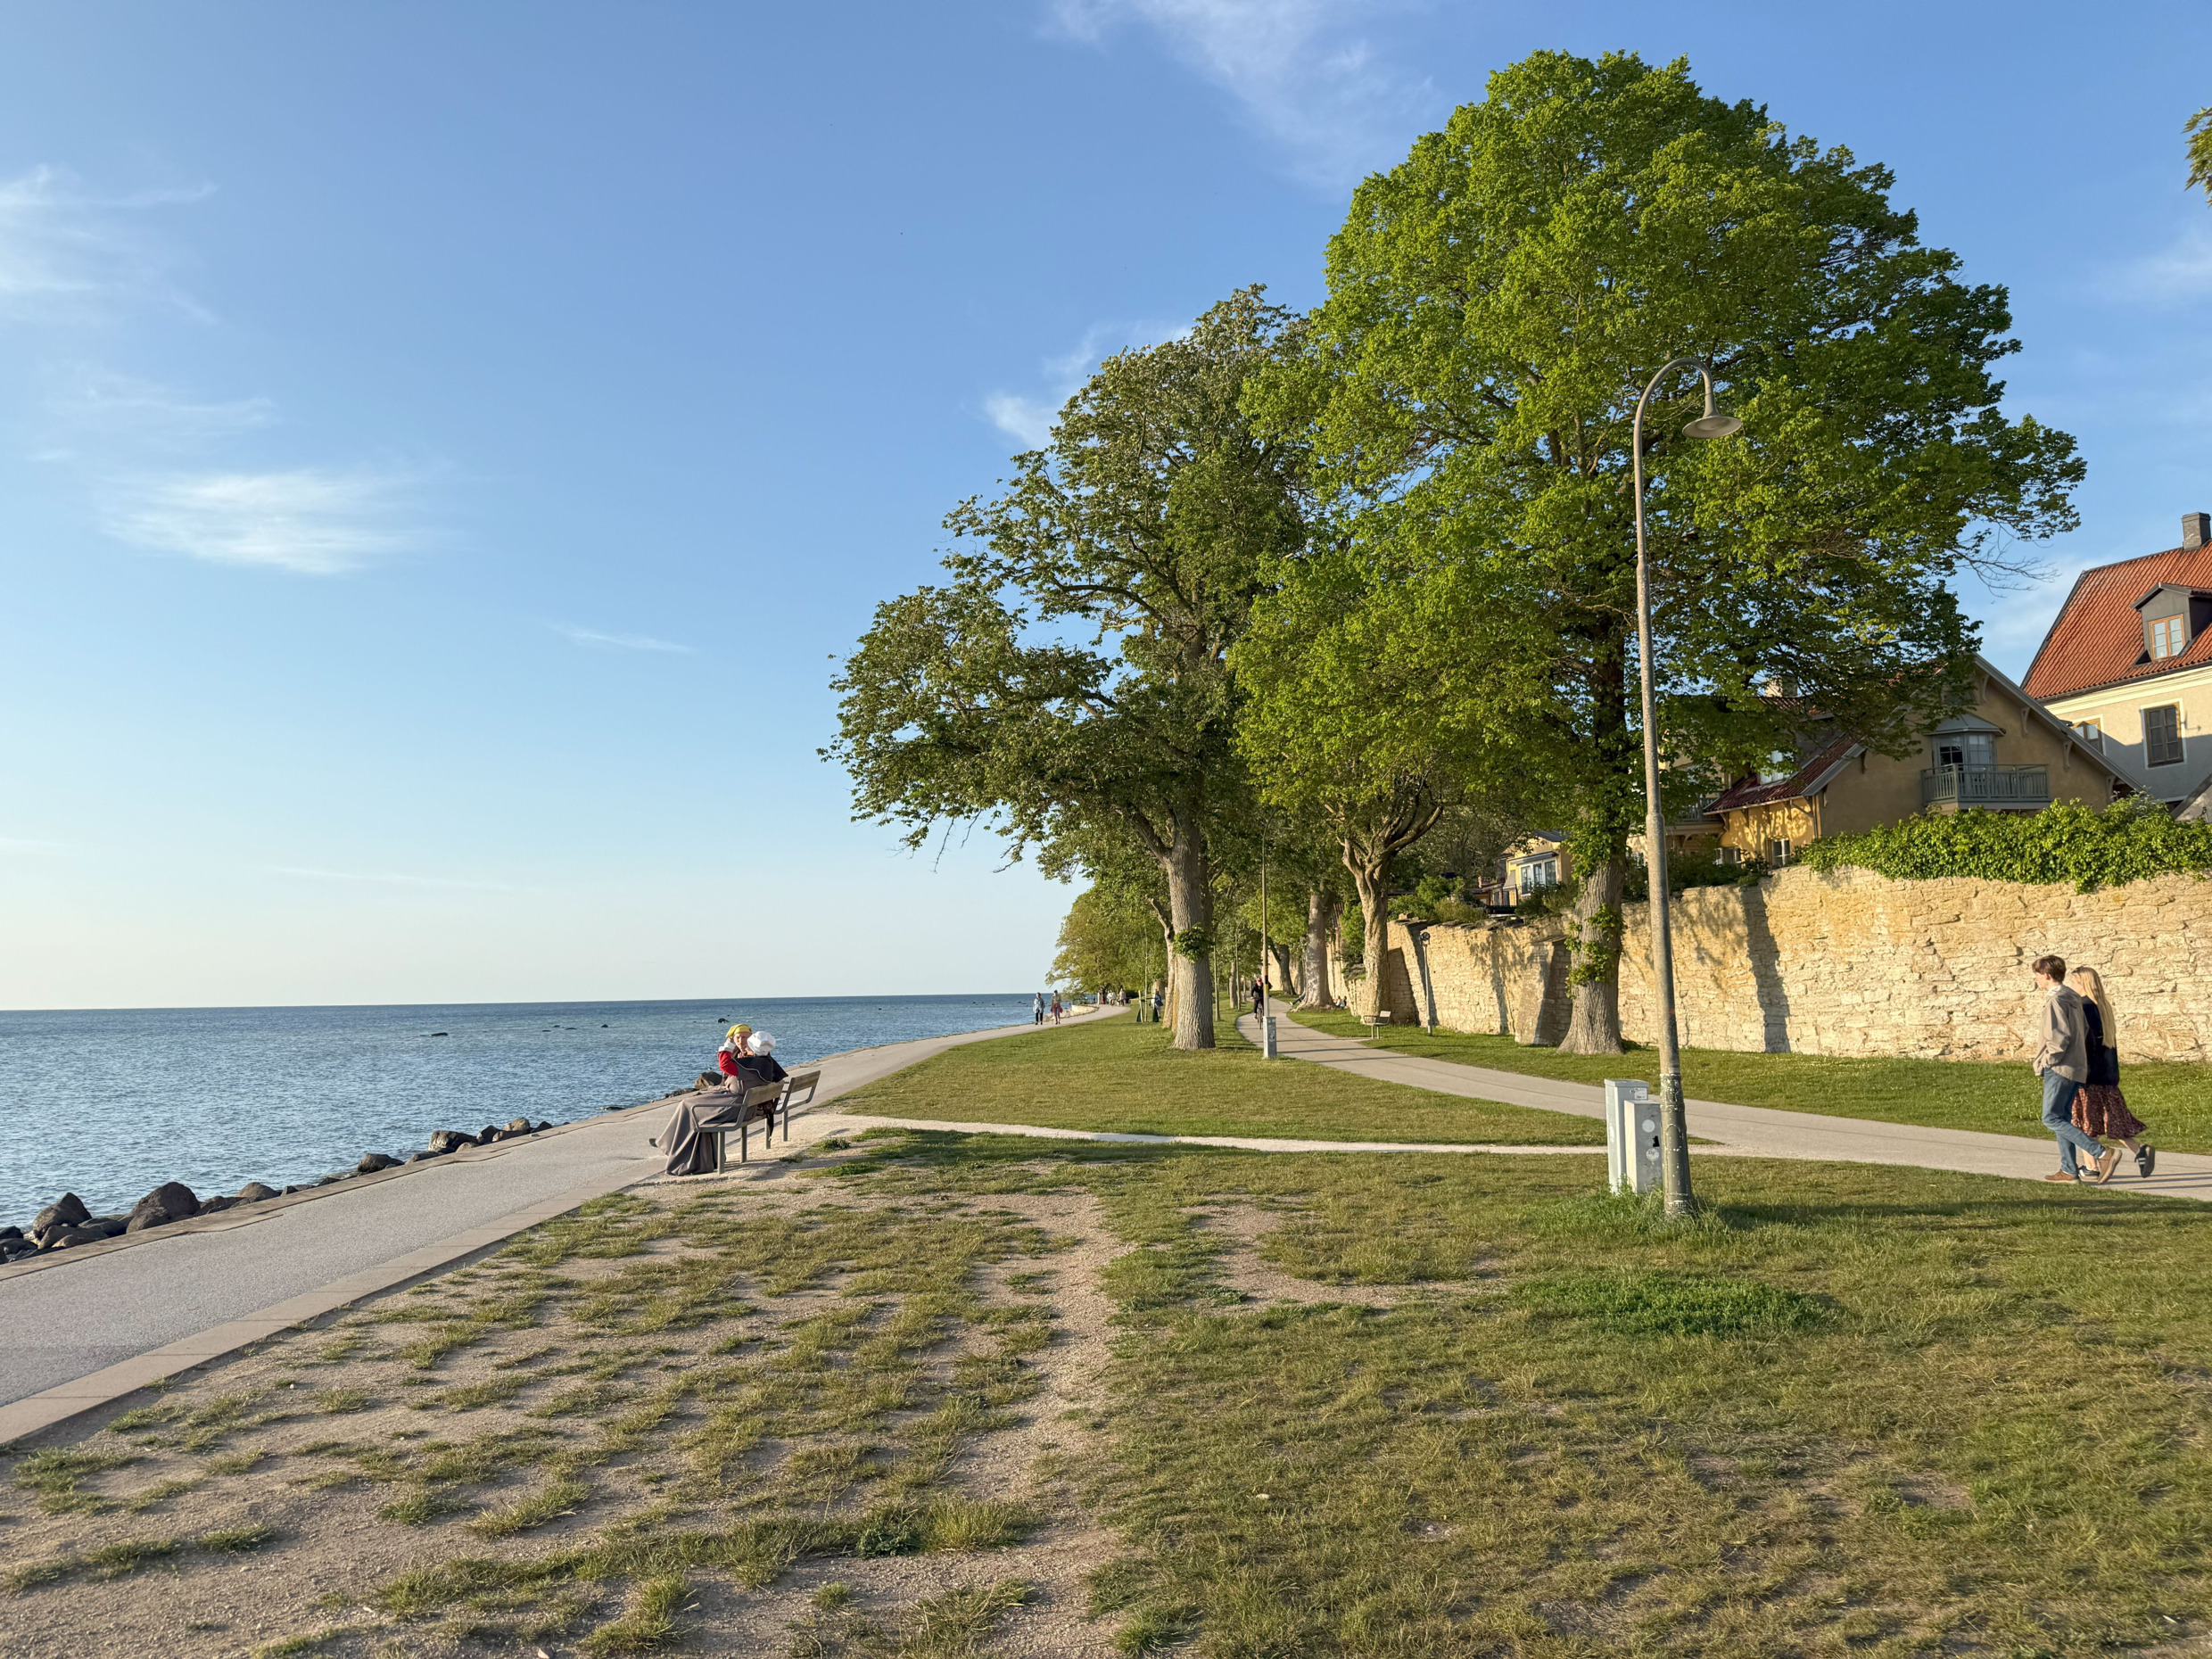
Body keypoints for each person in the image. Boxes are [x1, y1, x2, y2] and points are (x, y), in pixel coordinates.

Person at [2031, 953, 2119, 1184]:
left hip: (2060, 1067)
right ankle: (2069, 1170)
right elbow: (2086, 1029)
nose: (2036, 980)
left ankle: (2102, 1153)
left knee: (2050, 1118)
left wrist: (2044, 1062)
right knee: (2062, 1117)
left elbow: (2058, 1040)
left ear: (2048, 976)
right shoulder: (2073, 997)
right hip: (2078, 1067)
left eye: (2038, 976)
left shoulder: (2056, 1000)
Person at [2070, 966, 2154, 1177]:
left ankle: (2091, 1167)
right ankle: (2139, 1150)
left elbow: (2085, 1045)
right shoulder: (2103, 1007)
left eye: (2073, 981)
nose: (2071, 985)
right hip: (2107, 1075)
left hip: (2089, 1076)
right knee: (2112, 1119)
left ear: (2081, 983)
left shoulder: (2083, 1007)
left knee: (2082, 1122)